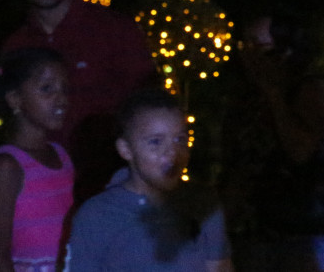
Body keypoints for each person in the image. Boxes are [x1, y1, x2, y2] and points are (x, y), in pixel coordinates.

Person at [2, 0, 159, 201]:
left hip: (110, 185)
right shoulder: (16, 46)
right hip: (43, 186)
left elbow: (149, 106)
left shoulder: (115, 31)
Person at [227, 15, 324, 272]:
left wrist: (274, 95)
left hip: (309, 228)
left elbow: (303, 151)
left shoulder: (307, 89)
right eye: (244, 45)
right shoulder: (250, 95)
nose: (248, 54)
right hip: (263, 226)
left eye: (259, 45)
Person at [64, 88, 233, 272]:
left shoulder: (203, 204)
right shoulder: (97, 216)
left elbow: (219, 266)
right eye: (155, 142)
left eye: (180, 139)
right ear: (126, 149)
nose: (172, 152)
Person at [0, 48, 74, 272]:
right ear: (15, 99)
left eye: (65, 89)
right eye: (47, 88)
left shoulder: (61, 155)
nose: (61, 99)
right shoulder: (8, 165)